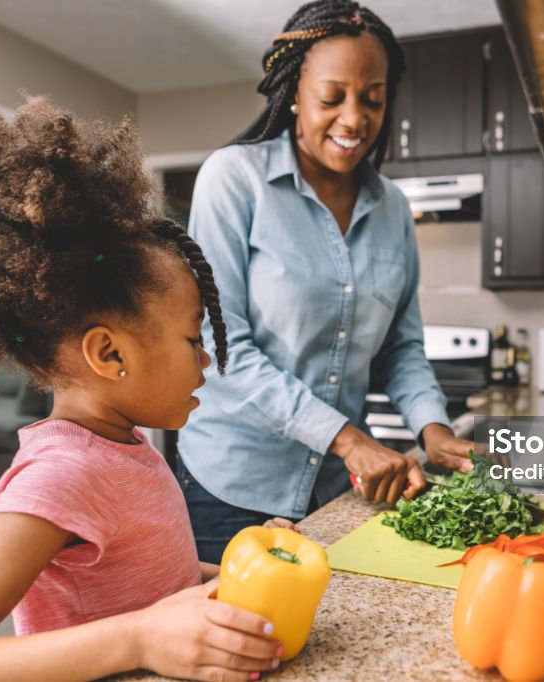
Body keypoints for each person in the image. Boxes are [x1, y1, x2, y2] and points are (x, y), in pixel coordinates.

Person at [0, 96, 289, 682]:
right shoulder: (62, 476)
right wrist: (138, 639)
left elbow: (144, 582)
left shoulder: (127, 446)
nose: (207, 359)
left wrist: (242, 573)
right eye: (194, 339)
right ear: (109, 353)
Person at [179, 0, 475, 564]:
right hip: (232, 488)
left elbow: (402, 348)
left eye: (373, 98)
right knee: (242, 646)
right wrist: (350, 439)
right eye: (331, 96)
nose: (354, 119)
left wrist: (433, 429)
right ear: (294, 92)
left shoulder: (391, 210)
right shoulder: (234, 180)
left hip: (336, 492)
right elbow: (223, 345)